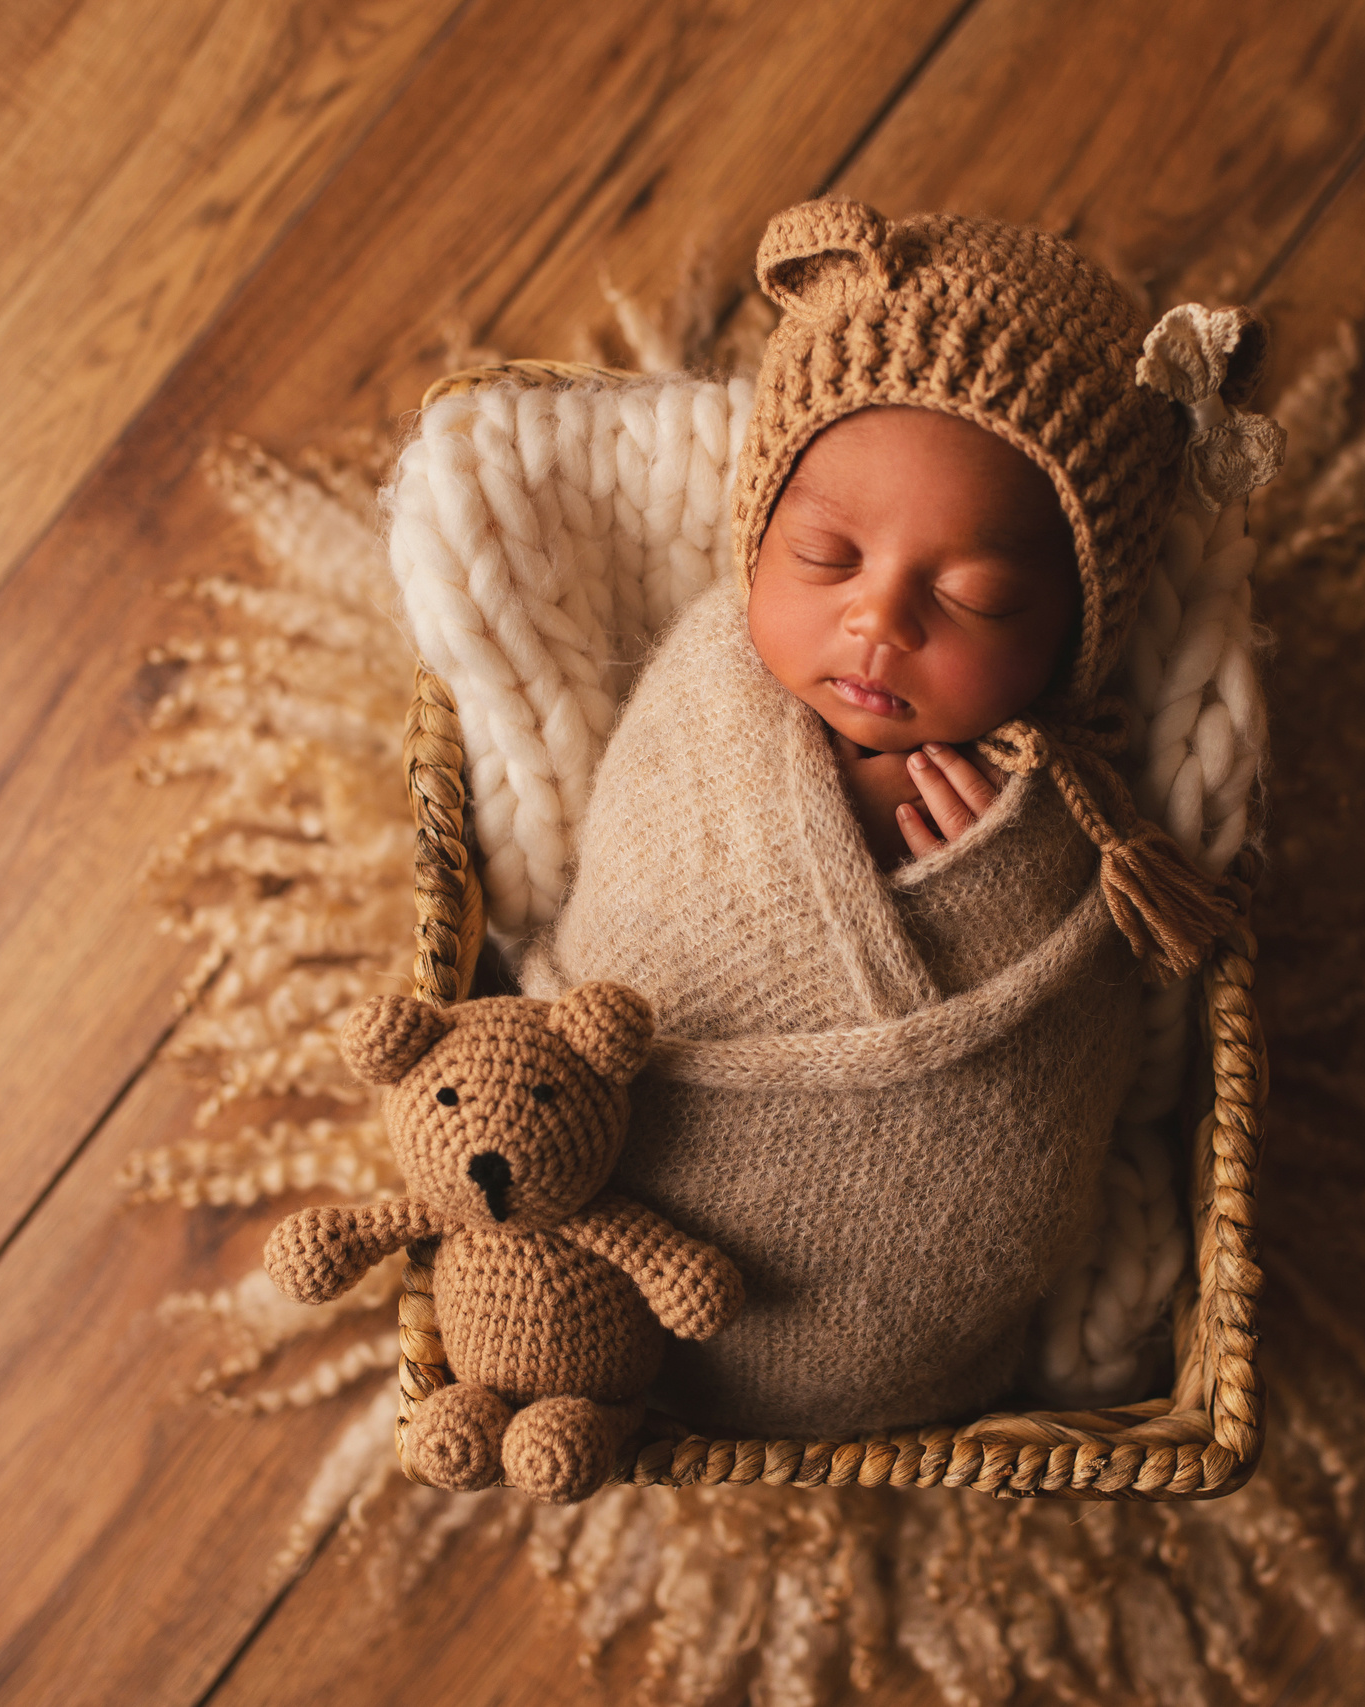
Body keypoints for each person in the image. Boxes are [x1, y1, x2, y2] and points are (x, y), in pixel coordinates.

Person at [517, 199, 1266, 1436]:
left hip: (893, 1279)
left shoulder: (1056, 806)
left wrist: (1007, 877)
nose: (881, 621)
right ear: (757, 536)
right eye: (825, 556)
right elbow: (640, 917)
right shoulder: (710, 695)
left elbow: (1058, 1074)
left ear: (1067, 640)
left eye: (972, 599)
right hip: (621, 1217)